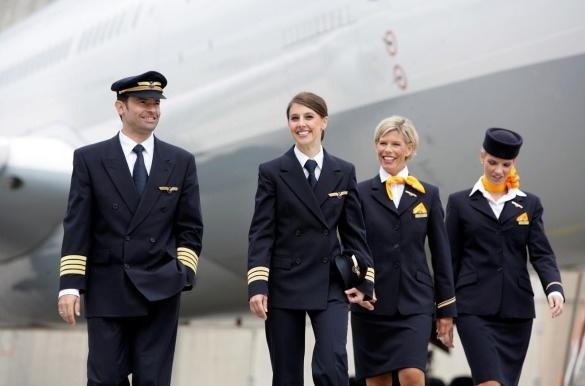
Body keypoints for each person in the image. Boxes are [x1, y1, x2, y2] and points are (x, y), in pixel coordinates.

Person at [57, 70, 203, 386]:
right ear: (120, 107)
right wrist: (70, 285)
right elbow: (77, 224)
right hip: (108, 286)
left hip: (161, 288)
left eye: (156, 103)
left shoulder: (180, 161)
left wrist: (184, 273)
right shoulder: (90, 159)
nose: (152, 109)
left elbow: (191, 227)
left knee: (153, 381)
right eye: (143, 102)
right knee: (105, 379)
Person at [247, 91, 376, 386]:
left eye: (309, 117)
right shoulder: (272, 172)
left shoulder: (343, 171)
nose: (301, 124)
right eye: (295, 118)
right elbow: (261, 232)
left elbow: (355, 233)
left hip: (329, 280)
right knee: (287, 374)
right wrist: (258, 284)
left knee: (332, 365)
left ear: (324, 122)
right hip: (284, 282)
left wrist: (364, 281)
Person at [445, 127, 564, 386]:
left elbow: (541, 254)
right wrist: (443, 309)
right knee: (490, 383)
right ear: (481, 157)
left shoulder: (529, 204)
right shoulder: (460, 203)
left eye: (505, 164)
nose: (498, 170)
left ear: (514, 164)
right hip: (473, 309)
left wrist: (553, 288)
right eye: (492, 162)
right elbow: (449, 260)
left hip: (516, 312)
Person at [351, 116, 457, 386]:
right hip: (371, 304)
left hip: (415, 302)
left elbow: (441, 255)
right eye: (382, 142)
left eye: (395, 144)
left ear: (409, 149)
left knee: (412, 374)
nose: (387, 149)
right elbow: (350, 246)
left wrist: (445, 310)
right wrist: (357, 284)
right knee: (377, 381)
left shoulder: (428, 195)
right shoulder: (359, 194)